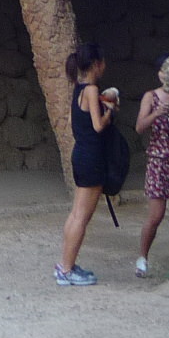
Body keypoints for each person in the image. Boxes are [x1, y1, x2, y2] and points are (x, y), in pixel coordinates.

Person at [57, 42, 118, 286]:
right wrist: (110, 110)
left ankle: (65, 264)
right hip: (92, 156)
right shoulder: (91, 90)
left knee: (75, 214)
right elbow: (98, 125)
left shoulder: (78, 89)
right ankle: (67, 269)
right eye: (102, 62)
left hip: (81, 153)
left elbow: (74, 121)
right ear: (96, 64)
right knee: (82, 216)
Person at [134, 57, 169, 277]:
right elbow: (140, 126)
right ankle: (142, 258)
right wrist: (157, 113)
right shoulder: (152, 97)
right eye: (164, 72)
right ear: (159, 74)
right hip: (159, 161)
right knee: (156, 215)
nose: (167, 76)